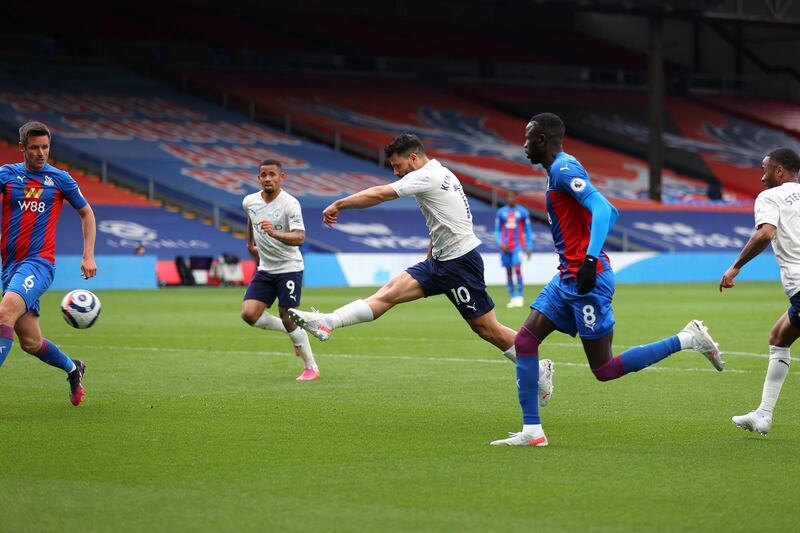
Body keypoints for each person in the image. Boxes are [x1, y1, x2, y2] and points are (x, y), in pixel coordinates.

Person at [490, 113, 724, 447]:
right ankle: (532, 431)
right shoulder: (558, 171)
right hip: (566, 278)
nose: (523, 144)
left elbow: (604, 209)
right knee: (526, 343)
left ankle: (688, 338)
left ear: (541, 139)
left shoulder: (562, 169)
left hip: (588, 279)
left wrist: (588, 259)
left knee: (604, 369)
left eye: (528, 138)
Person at [288, 133, 554, 404]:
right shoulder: (442, 173)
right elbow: (445, 216)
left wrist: (339, 203)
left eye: (397, 165)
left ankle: (538, 368)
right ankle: (328, 322)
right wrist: (432, 249)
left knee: (488, 329)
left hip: (460, 264)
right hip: (440, 261)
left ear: (413, 158)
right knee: (389, 293)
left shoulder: (428, 175)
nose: (396, 172)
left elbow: (380, 194)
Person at [0, 121, 97, 405]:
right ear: (22, 148)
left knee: (4, 313)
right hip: (9, 267)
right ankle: (73, 368)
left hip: (38, 264)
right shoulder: (6, 176)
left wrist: (88, 254)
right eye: (35, 147)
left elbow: (87, 214)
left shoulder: (61, 180)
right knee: (30, 342)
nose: (41, 153)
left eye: (45, 147)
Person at [720, 147, 800, 435]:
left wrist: (736, 266)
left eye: (765, 169)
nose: (761, 176)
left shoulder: (770, 197)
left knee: (780, 338)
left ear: (779, 171)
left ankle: (764, 414)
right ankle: (763, 414)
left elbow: (766, 233)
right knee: (779, 337)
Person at [240, 159, 319, 381]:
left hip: (289, 268)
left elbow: (300, 237)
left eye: (272, 174)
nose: (267, 179)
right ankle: (293, 330)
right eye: (263, 175)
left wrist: (275, 234)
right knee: (249, 314)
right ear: (258, 178)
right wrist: (249, 243)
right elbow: (251, 217)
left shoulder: (290, 204)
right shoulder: (250, 201)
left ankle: (311, 366)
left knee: (287, 314)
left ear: (281, 177)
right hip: (265, 268)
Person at [495, 190, 533, 308]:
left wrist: (529, 247)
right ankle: (513, 297)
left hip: (517, 246)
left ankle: (520, 296)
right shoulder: (501, 212)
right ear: (506, 198)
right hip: (505, 247)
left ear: (516, 197)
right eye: (508, 197)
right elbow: (497, 230)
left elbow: (528, 230)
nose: (510, 199)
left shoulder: (522, 212)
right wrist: (500, 243)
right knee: (508, 271)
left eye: (513, 196)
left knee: (517, 268)